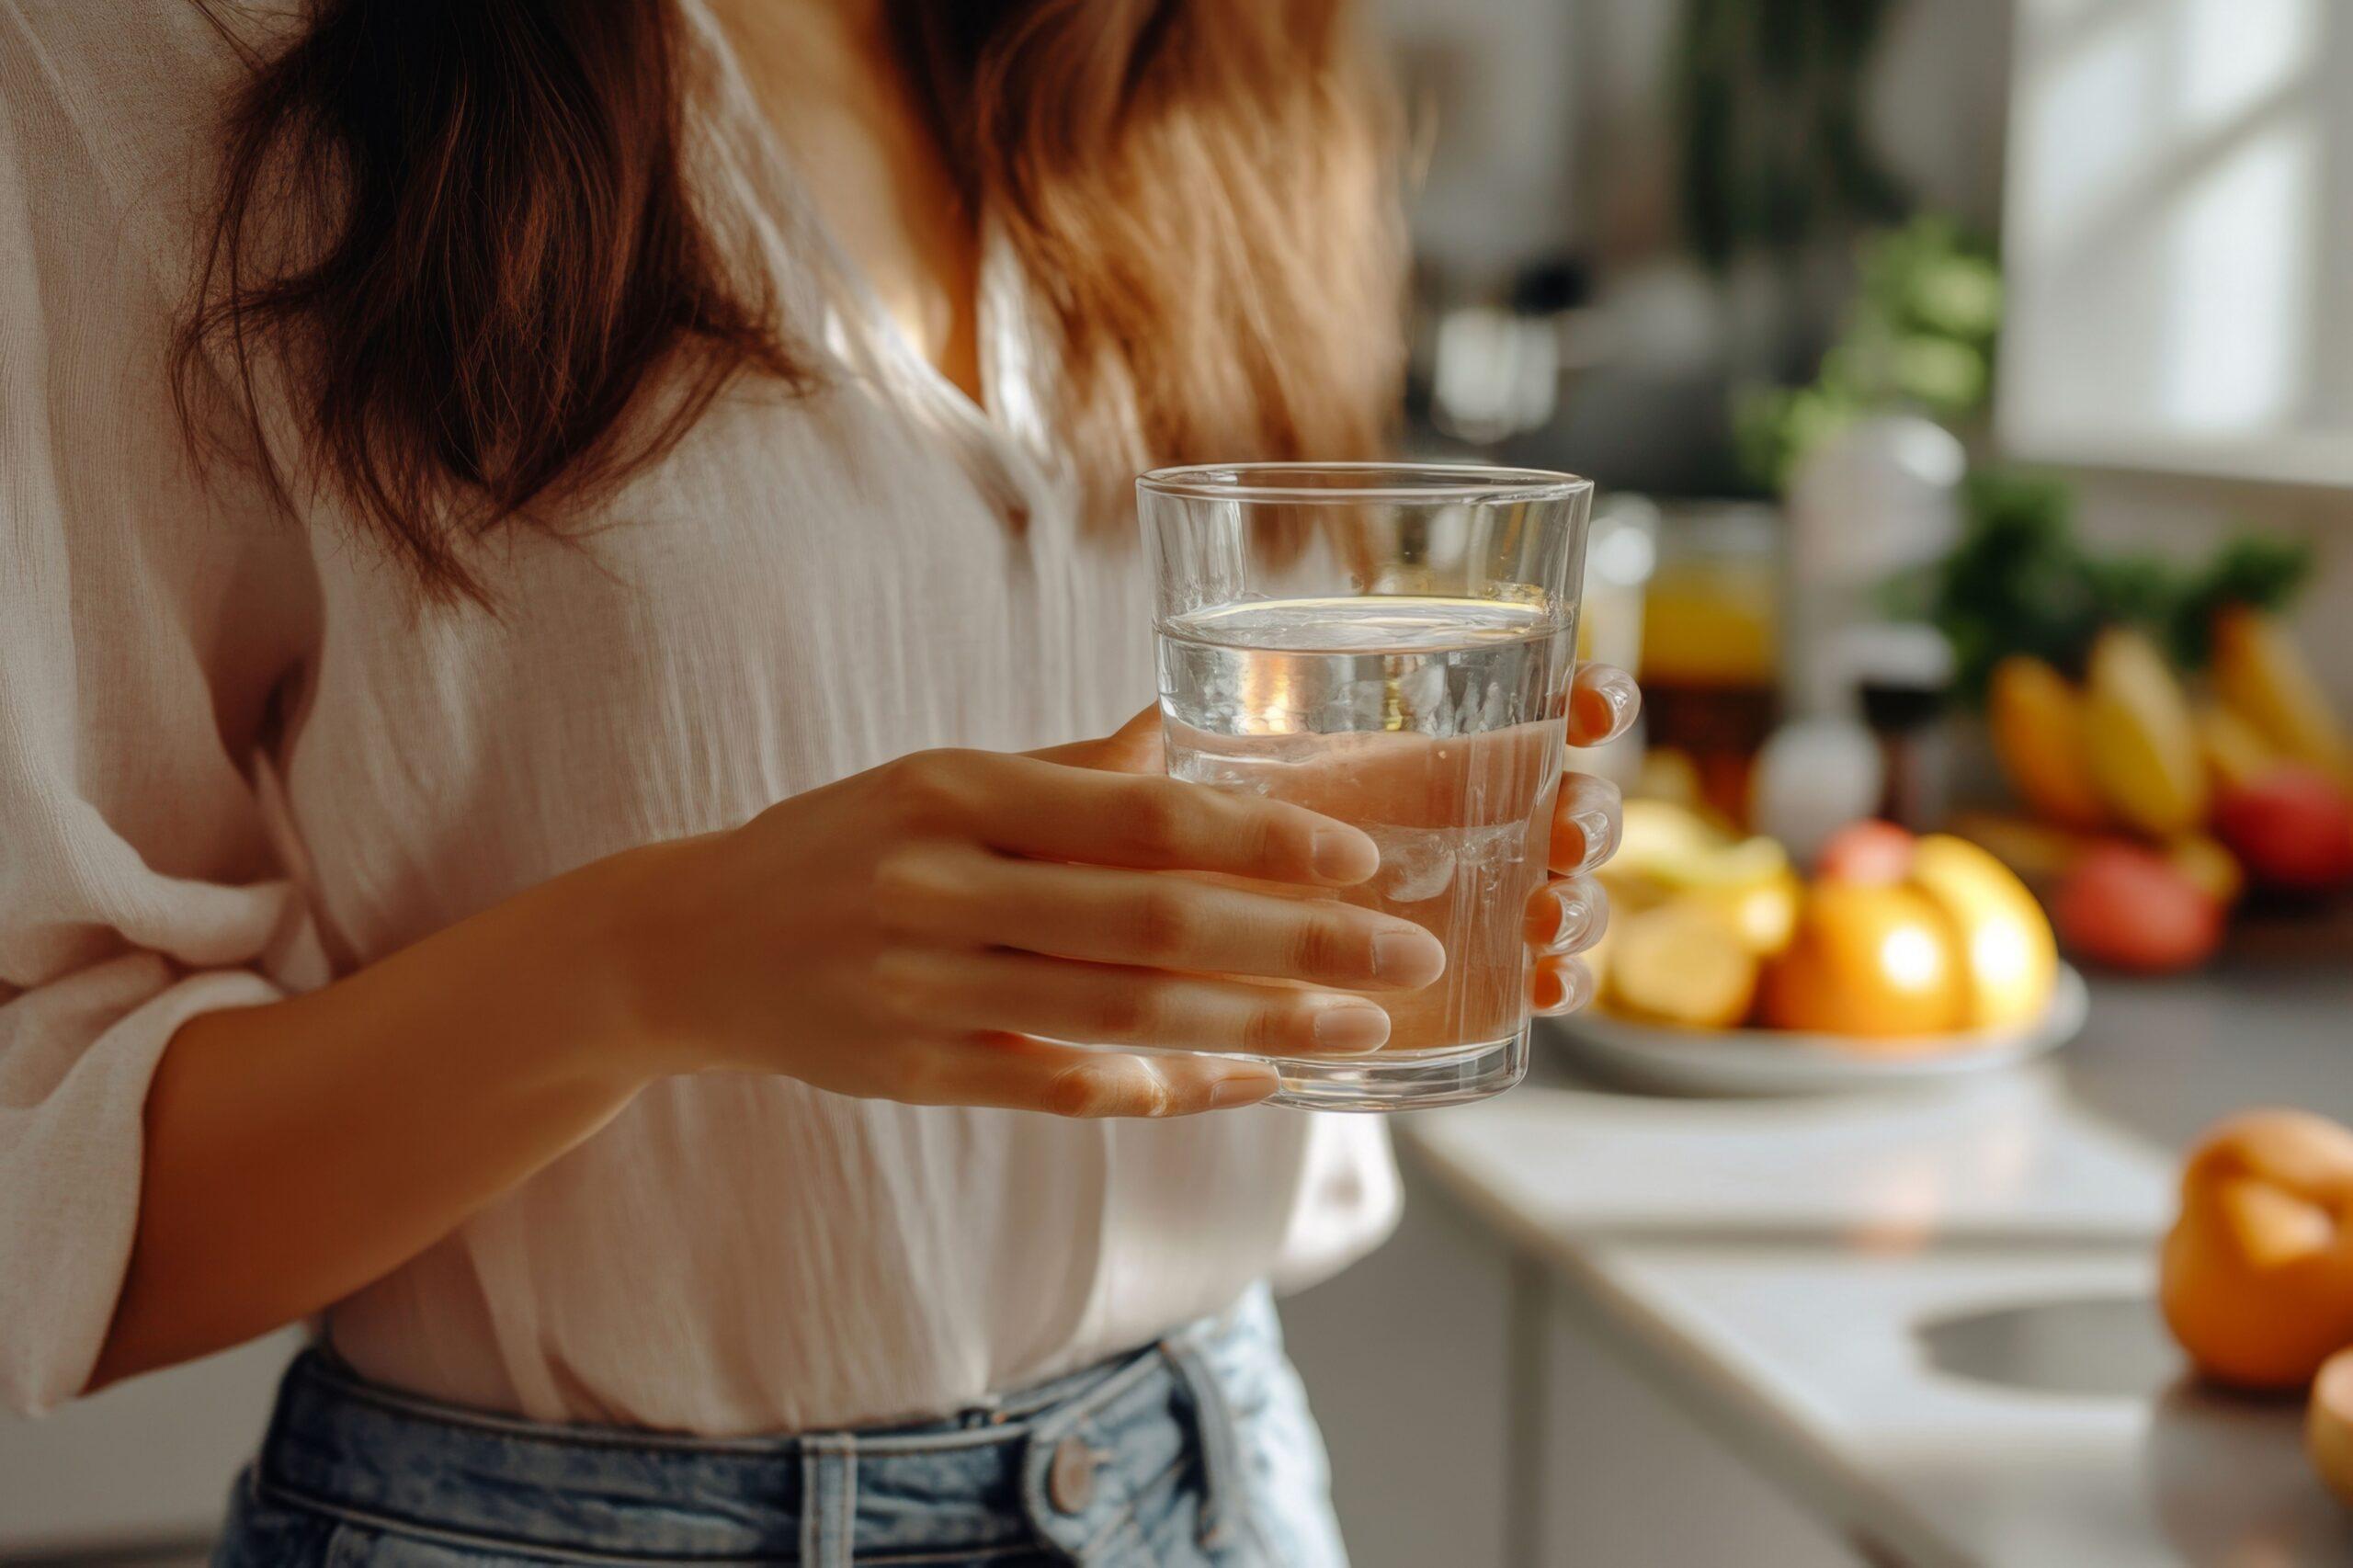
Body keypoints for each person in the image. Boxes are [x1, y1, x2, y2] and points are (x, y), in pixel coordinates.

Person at [0, 2, 1634, 1562]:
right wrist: (663, 958)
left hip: (1207, 1482)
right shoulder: (182, 49)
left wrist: (1421, 872)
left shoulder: (1223, 60)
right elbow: (44, 1211)